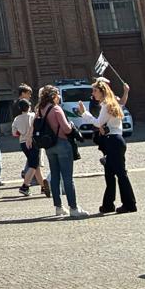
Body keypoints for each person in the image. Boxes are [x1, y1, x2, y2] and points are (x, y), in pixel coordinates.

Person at [75, 78, 136, 215]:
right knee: (109, 174)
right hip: (114, 139)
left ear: (102, 92)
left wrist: (84, 113)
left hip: (113, 141)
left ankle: (129, 204)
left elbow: (98, 122)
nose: (93, 93)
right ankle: (108, 204)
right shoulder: (111, 103)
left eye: (95, 91)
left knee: (120, 173)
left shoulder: (107, 105)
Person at [34, 85, 88, 219]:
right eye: (57, 94)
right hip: (62, 144)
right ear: (53, 96)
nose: (59, 97)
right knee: (68, 178)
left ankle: (58, 207)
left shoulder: (40, 109)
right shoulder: (56, 109)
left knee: (55, 177)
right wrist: (72, 125)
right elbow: (66, 129)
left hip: (49, 146)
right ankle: (73, 208)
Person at [11, 97, 50, 198]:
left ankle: (43, 187)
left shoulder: (16, 119)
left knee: (36, 166)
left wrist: (22, 132)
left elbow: (14, 133)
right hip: (33, 142)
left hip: (23, 143)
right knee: (33, 165)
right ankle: (25, 186)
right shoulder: (33, 115)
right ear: (29, 106)